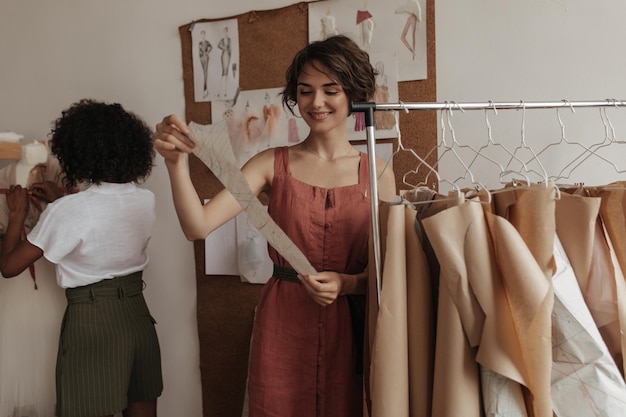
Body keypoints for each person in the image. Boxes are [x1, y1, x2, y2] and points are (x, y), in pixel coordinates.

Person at [153, 34, 397, 417]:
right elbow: (197, 226)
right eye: (305, 91)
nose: (316, 102)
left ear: (354, 93)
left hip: (353, 326)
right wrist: (175, 165)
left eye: (330, 90)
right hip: (283, 322)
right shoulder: (270, 163)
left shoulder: (380, 173)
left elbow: (389, 273)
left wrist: (348, 283)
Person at [0, 99, 162, 417]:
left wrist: (17, 214)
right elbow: (100, 229)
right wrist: (59, 200)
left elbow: (9, 266)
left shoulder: (69, 211)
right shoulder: (145, 199)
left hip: (93, 323)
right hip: (137, 316)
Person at [0, 140, 66, 417]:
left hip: (53, 284)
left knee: (51, 357)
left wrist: (60, 201)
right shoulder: (4, 180)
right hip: (12, 290)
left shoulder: (61, 178)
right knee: (15, 357)